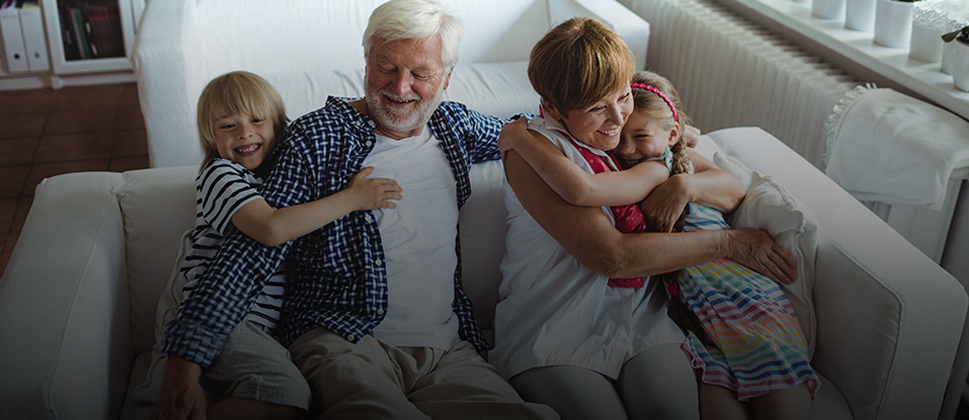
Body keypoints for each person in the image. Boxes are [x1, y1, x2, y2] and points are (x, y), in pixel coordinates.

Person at [157, 1, 558, 419]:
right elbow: (249, 253)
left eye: (420, 74)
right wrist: (183, 367)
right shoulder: (318, 136)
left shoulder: (454, 126)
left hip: (447, 350)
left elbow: (533, 131)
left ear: (447, 78)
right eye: (386, 66)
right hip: (341, 340)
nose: (400, 87)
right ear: (366, 62)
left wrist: (623, 144)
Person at [490, 17, 799, 420]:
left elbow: (730, 186)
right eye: (596, 108)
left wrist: (683, 186)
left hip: (643, 318)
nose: (616, 119)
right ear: (552, 108)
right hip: (555, 322)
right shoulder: (536, 151)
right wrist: (729, 243)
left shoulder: (633, 139)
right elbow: (611, 257)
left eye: (622, 97)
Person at [152, 70, 403, 420]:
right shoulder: (220, 175)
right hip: (225, 318)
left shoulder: (278, 177)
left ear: (279, 124)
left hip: (263, 327)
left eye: (257, 120)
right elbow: (270, 229)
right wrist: (352, 198)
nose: (245, 133)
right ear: (211, 135)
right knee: (284, 393)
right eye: (228, 126)